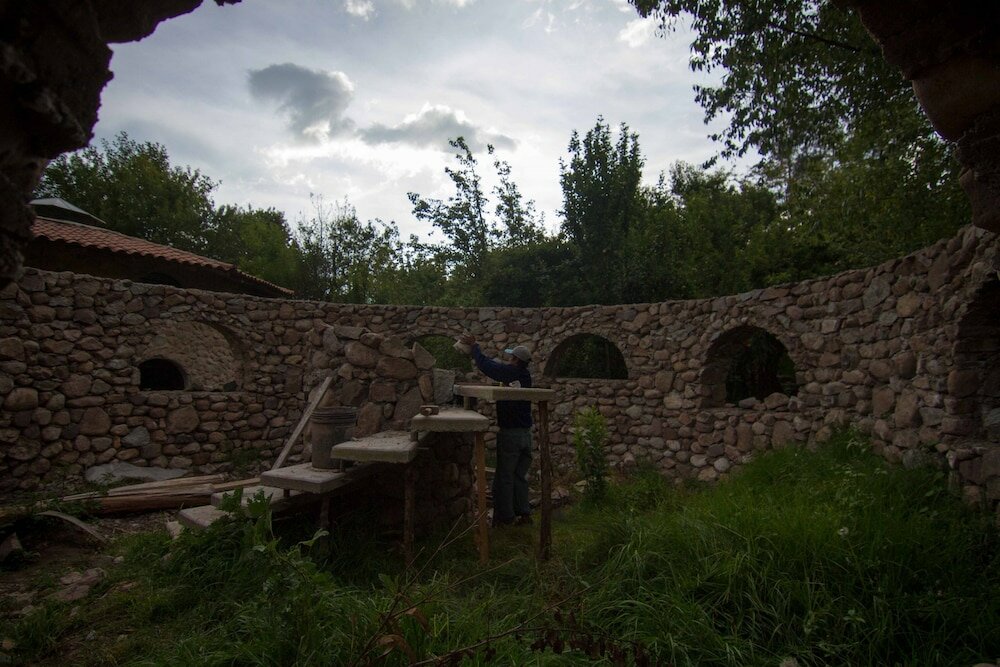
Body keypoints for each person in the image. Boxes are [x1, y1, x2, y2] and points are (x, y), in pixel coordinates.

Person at [458, 334, 533, 527]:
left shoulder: (512, 373)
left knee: (505, 476)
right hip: (526, 434)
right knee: (520, 476)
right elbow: (500, 371)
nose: (509, 359)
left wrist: (475, 348)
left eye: (511, 357)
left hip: (512, 434)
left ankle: (505, 518)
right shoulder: (525, 376)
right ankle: (524, 513)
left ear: (516, 360)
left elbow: (490, 367)